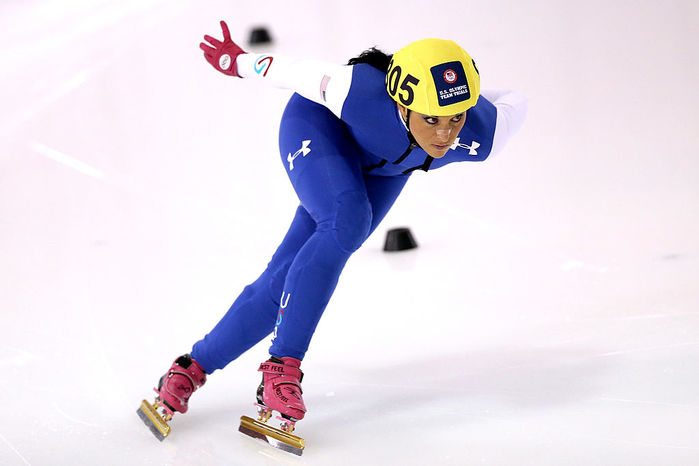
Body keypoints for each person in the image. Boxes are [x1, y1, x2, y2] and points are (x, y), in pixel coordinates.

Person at [139, 20, 527, 450]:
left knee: (288, 277)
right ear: (401, 103)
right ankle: (282, 368)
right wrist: (237, 61)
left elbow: (517, 101)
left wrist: (471, 101)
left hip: (384, 170)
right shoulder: (355, 91)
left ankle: (191, 367)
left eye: (456, 118)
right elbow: (290, 70)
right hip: (318, 129)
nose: (444, 134)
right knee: (346, 221)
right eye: (431, 119)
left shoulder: (480, 134)